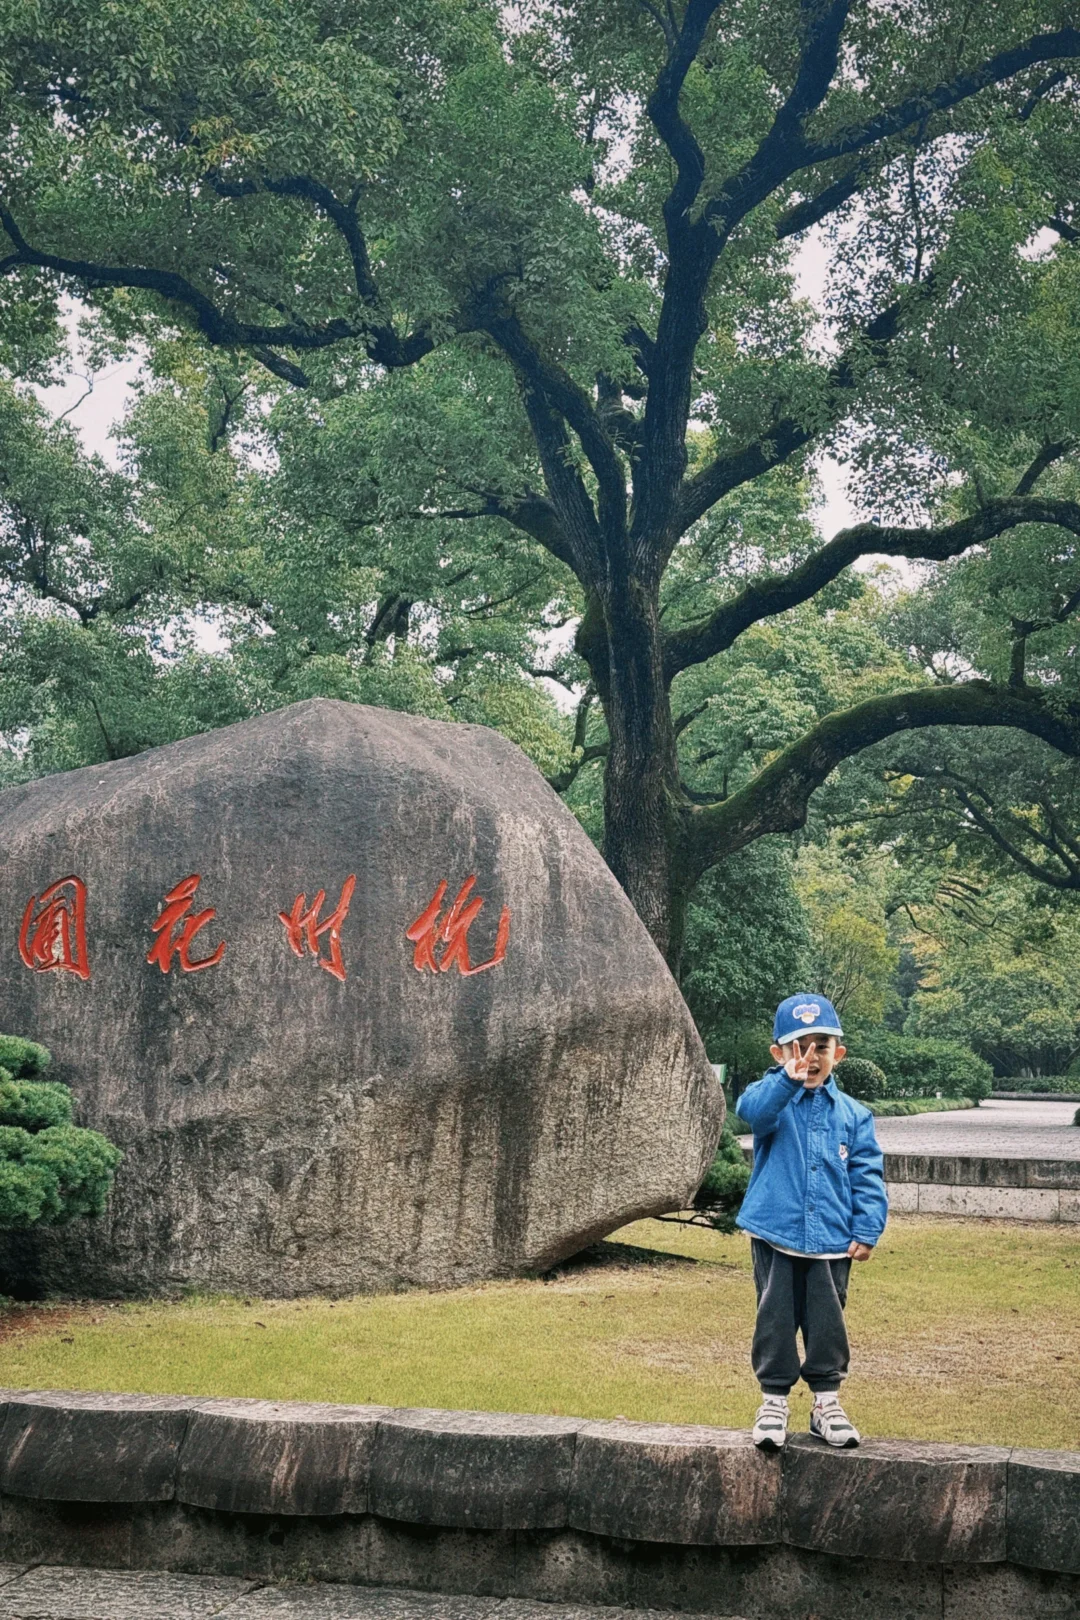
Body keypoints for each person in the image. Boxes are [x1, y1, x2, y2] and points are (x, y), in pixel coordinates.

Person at [736, 993, 888, 1451]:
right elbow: (751, 1112)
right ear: (779, 1055)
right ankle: (773, 1400)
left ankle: (826, 1401)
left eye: (820, 1046)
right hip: (775, 1233)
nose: (810, 1057)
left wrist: (868, 1226)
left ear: (837, 1054)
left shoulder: (854, 1116)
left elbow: (868, 1173)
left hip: (832, 1239)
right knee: (775, 1319)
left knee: (828, 1321)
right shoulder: (772, 1104)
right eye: (798, 1046)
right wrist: (786, 1080)